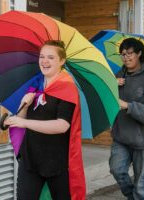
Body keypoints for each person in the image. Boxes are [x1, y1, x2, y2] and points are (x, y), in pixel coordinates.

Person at [5, 40, 85, 200]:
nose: (44, 61)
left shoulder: (67, 88)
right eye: (42, 56)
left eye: (50, 57)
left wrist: (24, 123)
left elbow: (62, 125)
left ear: (62, 61)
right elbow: (22, 120)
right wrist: (24, 105)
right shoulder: (35, 85)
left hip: (57, 162)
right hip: (30, 159)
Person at [109, 38, 144, 200]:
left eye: (130, 53)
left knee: (140, 180)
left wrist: (127, 105)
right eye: (123, 54)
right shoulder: (118, 75)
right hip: (121, 136)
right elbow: (107, 98)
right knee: (116, 170)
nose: (126, 57)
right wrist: (111, 84)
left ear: (139, 53)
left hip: (143, 139)